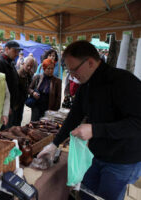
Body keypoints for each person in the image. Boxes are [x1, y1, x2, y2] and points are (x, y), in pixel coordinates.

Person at [37, 40, 141, 200]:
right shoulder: (86, 86)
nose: (71, 75)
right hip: (95, 155)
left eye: (74, 70)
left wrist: (94, 129)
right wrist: (54, 143)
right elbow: (74, 116)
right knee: (85, 195)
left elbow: (137, 124)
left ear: (91, 62)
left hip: (122, 160)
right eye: (69, 70)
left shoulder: (124, 82)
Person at [0, 40, 22, 129]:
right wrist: (5, 107)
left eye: (18, 51)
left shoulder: (11, 62)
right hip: (6, 107)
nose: (17, 54)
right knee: (5, 133)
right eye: (15, 51)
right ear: (6, 49)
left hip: (13, 105)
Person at [14, 57, 34, 125]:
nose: (29, 67)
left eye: (31, 66)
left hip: (22, 100)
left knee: (19, 119)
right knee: (15, 120)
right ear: (23, 64)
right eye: (28, 65)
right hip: (17, 101)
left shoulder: (30, 74)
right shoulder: (18, 74)